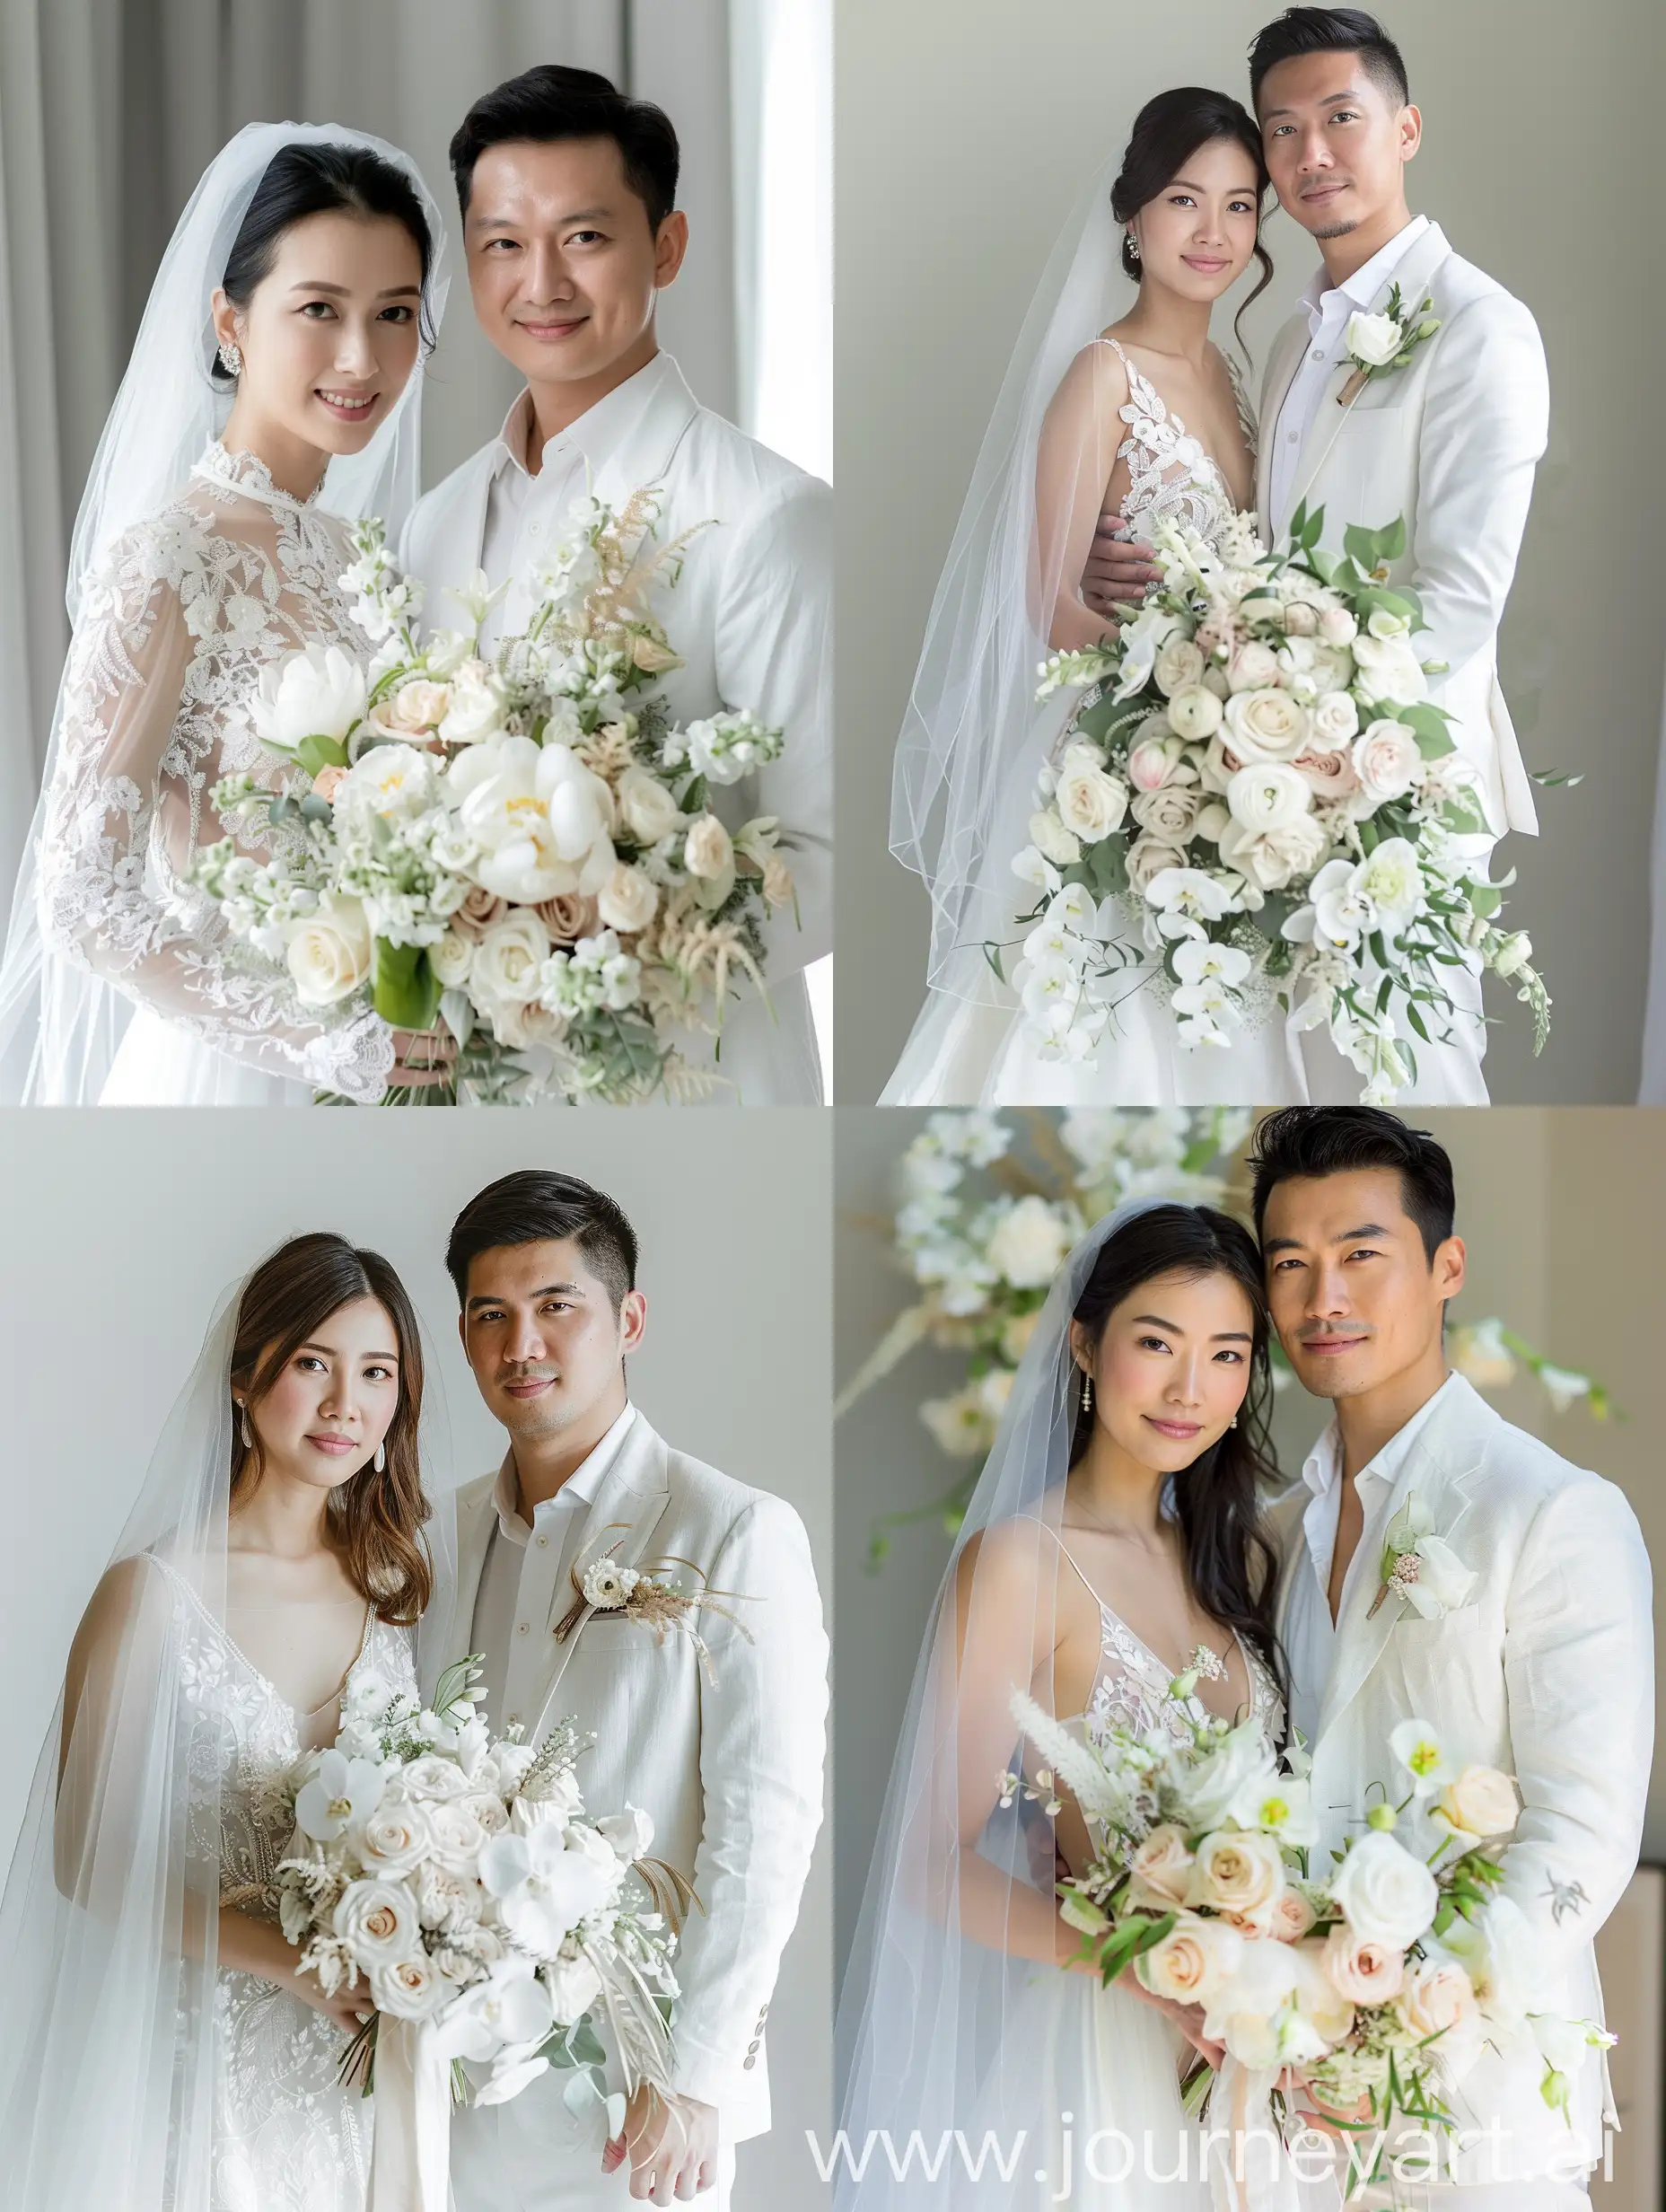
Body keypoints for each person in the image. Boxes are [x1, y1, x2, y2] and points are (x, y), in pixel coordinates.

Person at [1091, 10, 1550, 1102]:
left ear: (1404, 129)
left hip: (1401, 793)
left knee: (1409, 1088)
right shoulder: (1292, 331)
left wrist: (1312, 748)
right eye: (1282, 130)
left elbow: (1459, 600)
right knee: (1292, 1087)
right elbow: (1255, 551)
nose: (1309, 155)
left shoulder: (1479, 326)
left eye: (1340, 118)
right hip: (1261, 793)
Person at [836, 1199, 1290, 2207]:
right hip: (1106, 2051)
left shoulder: (1235, 1557)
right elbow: (926, 1860)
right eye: (1156, 1343)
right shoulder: (1018, 1565)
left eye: (1226, 1354)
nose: (1189, 1388)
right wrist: (1135, 1961)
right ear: (1084, 1344)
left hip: (1257, 2051)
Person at [403, 67, 831, 1104]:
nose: (540, 282)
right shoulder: (437, 518)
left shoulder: (764, 513)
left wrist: (602, 964)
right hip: (473, 1086)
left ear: (667, 247)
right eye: (503, 242)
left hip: (691, 1081)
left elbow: (824, 860)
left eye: (583, 237)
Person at [0, 126, 453, 1105]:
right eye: (318, 309)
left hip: (399, 1066)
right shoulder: (169, 561)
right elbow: (80, 899)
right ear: (231, 322)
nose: (358, 356)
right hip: (234, 1078)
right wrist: (311, 1041)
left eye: (393, 313)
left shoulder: (365, 561)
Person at [1250, 1107, 1653, 2206]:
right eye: (1289, 1264)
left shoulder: (1553, 1509)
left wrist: (1405, 2018)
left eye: (1358, 1256)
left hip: (1478, 2111)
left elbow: (1582, 1830)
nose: (1321, 1298)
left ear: (1445, 1267)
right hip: (1285, 2109)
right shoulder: (1275, 1529)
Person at [881, 89, 1314, 1106]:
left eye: (1240, 206)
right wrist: (1169, 697)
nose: (1213, 233)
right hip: (1122, 765)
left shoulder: (1233, 374)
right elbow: (1047, 610)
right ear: (1131, 215)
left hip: (1209, 762)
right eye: (1182, 200)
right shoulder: (1101, 376)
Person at [0, 1234, 434, 2209]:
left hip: (352, 2074)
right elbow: (87, 1862)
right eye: (312, 1364)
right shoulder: (153, 1593)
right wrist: (297, 1965)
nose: (343, 1405)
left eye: (376, 1373)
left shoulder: (393, 1592)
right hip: (196, 2064)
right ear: (244, 1379)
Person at [427, 1169, 829, 2208]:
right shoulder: (441, 1534)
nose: (522, 1345)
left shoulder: (732, 1529)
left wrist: (693, 2077)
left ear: (628, 1319)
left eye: (555, 1306)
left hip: (633, 2102)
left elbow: (765, 1824)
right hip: (444, 2083)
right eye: (490, 1315)